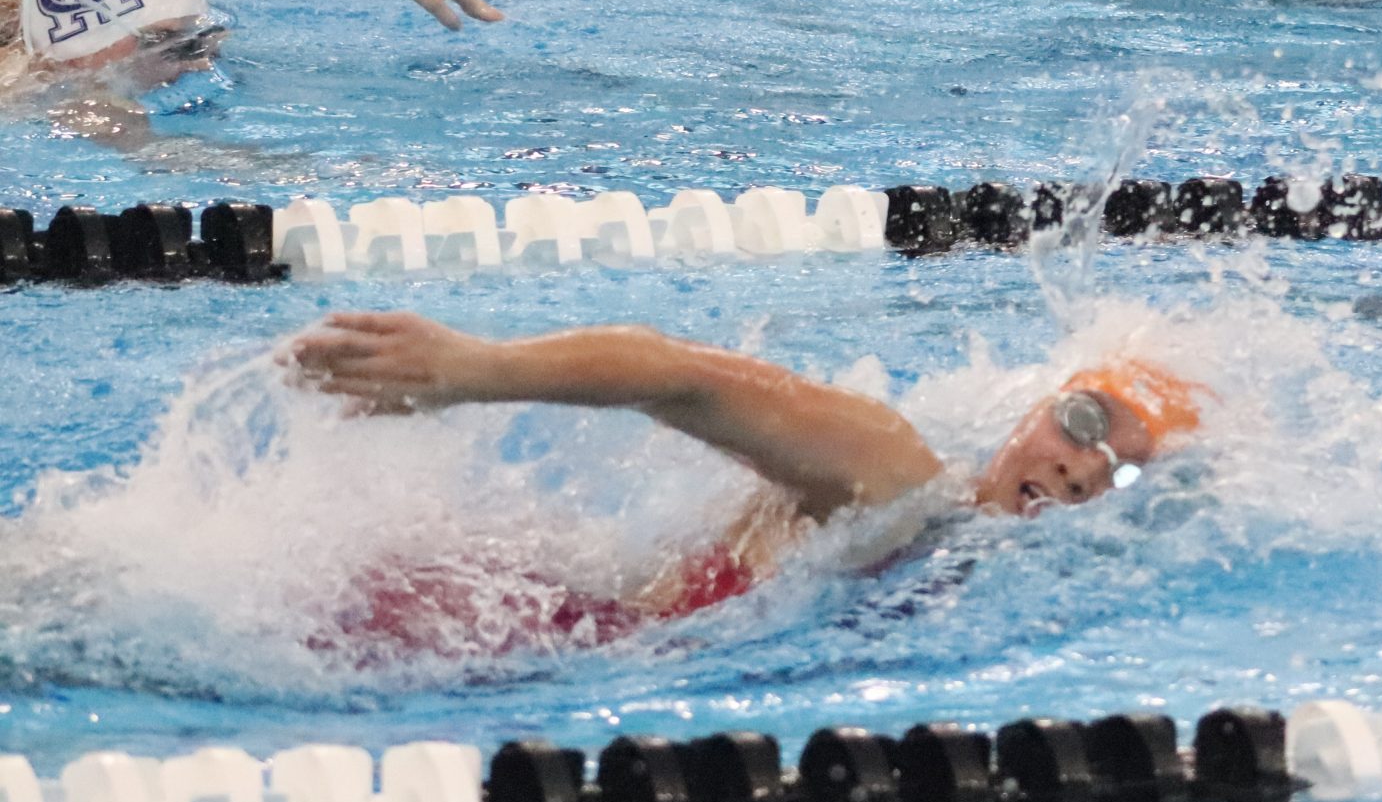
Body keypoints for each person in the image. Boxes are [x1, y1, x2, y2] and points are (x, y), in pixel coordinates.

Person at [288, 311, 1208, 652]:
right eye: (1086, 422)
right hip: (495, 635)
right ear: (1033, 410)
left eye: (1123, 470)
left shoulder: (961, 562)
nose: (1082, 466)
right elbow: (679, 376)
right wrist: (474, 370)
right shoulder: (893, 472)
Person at [1, 0, 501, 123]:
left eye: (198, 41)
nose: (198, 66)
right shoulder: (33, 90)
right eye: (173, 47)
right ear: (83, 53)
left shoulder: (57, 14)